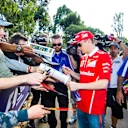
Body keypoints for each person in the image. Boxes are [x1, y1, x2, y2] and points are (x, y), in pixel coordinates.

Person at [63, 31, 112, 128]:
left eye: (79, 44)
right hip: (81, 106)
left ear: (88, 41)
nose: (78, 48)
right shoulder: (84, 58)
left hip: (95, 109)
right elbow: (84, 78)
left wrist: (78, 85)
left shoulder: (103, 56)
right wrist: (71, 73)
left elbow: (104, 83)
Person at [42, 34, 73, 128]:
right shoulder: (46, 54)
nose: (57, 47)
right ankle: (52, 126)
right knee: (50, 110)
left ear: (62, 43)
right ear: (51, 44)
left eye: (59, 44)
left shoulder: (66, 56)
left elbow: (71, 71)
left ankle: (64, 125)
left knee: (63, 108)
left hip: (61, 85)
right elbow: (41, 70)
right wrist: (48, 82)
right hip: (48, 85)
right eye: (54, 45)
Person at [106, 37, 128, 128]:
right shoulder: (105, 59)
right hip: (105, 88)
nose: (113, 50)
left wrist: (119, 41)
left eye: (115, 48)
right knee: (101, 108)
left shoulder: (121, 59)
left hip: (116, 89)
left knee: (116, 110)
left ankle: (113, 126)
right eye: (111, 48)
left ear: (118, 50)